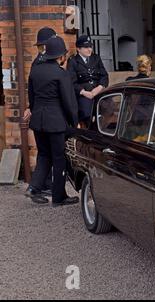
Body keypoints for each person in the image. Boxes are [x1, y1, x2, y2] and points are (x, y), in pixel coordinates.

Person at [27, 36, 79, 207]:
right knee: (58, 159)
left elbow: (32, 98)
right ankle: (59, 197)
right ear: (61, 56)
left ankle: (34, 187)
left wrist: (35, 113)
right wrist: (74, 121)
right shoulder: (61, 74)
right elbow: (68, 102)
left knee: (43, 154)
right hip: (55, 122)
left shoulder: (35, 71)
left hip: (38, 121)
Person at [24, 27, 57, 202]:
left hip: (39, 114)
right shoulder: (43, 61)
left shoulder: (38, 61)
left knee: (45, 152)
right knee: (47, 152)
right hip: (47, 115)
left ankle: (44, 184)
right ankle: (36, 186)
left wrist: (32, 107)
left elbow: (31, 90)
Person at [67, 35, 109, 127]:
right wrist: (83, 92)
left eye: (90, 46)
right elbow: (71, 82)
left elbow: (104, 75)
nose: (89, 49)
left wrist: (99, 87)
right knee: (87, 114)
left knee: (110, 109)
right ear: (78, 49)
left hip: (98, 92)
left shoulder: (96, 58)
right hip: (84, 95)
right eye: (86, 47)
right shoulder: (73, 61)